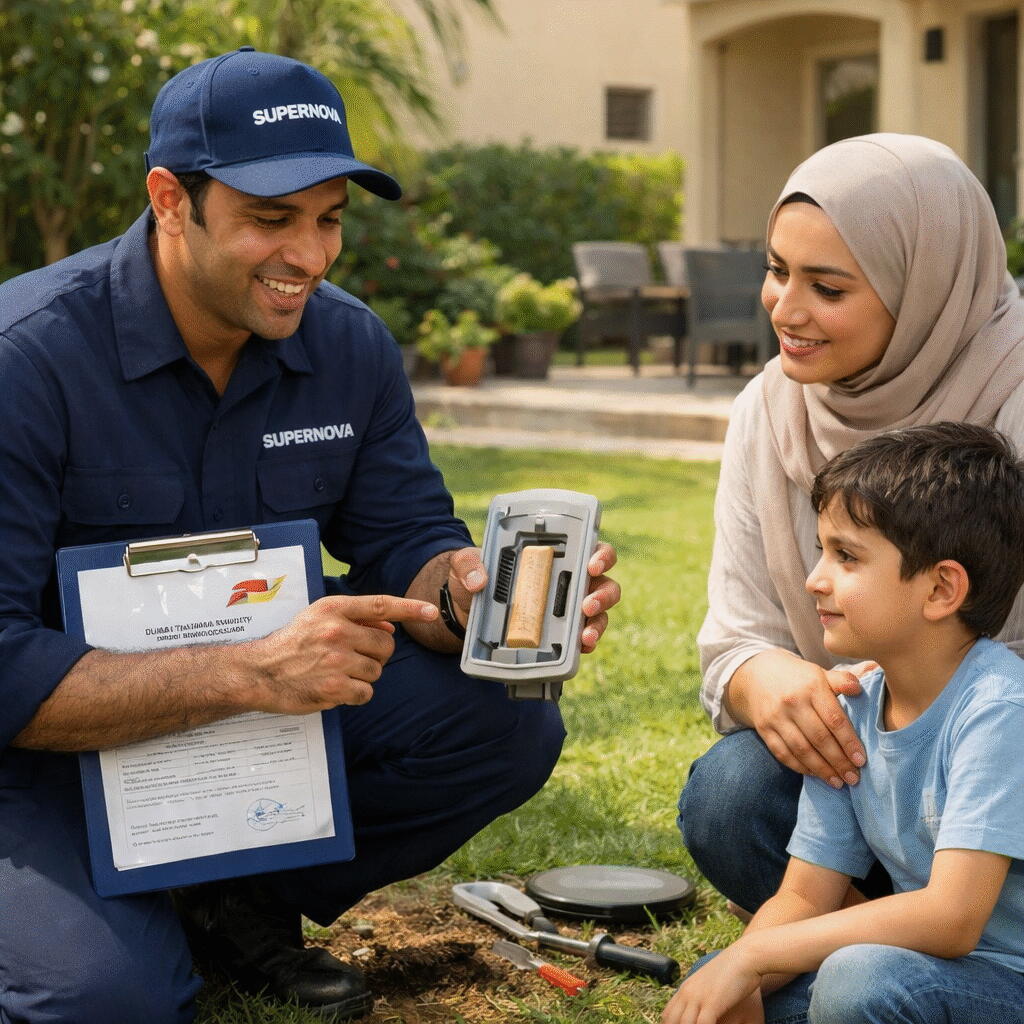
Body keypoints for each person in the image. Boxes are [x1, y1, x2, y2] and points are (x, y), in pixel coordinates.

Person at [0, 48, 620, 1024]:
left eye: (329, 218)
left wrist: (466, 595)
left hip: (249, 721)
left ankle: (235, 898)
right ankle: (107, 905)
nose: (313, 255)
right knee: (99, 1000)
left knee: (505, 717)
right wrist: (247, 672)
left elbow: (406, 537)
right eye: (270, 219)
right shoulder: (24, 360)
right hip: (46, 751)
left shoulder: (348, 346)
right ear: (170, 199)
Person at [676, 133, 1024, 917]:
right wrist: (769, 681)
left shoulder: (1016, 394)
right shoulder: (771, 410)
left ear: (926, 284)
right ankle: (870, 953)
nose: (786, 311)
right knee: (734, 797)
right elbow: (738, 638)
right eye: (776, 271)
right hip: (861, 758)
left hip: (1004, 759)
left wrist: (901, 706)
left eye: (827, 288)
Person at [664, 420, 1024, 1024]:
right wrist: (745, 967)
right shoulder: (856, 700)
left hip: (1004, 980)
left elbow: (951, 919)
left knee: (856, 981)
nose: (814, 579)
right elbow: (807, 894)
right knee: (720, 984)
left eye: (846, 556)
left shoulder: (998, 711)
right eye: (821, 550)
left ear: (941, 589)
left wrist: (757, 956)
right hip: (914, 971)